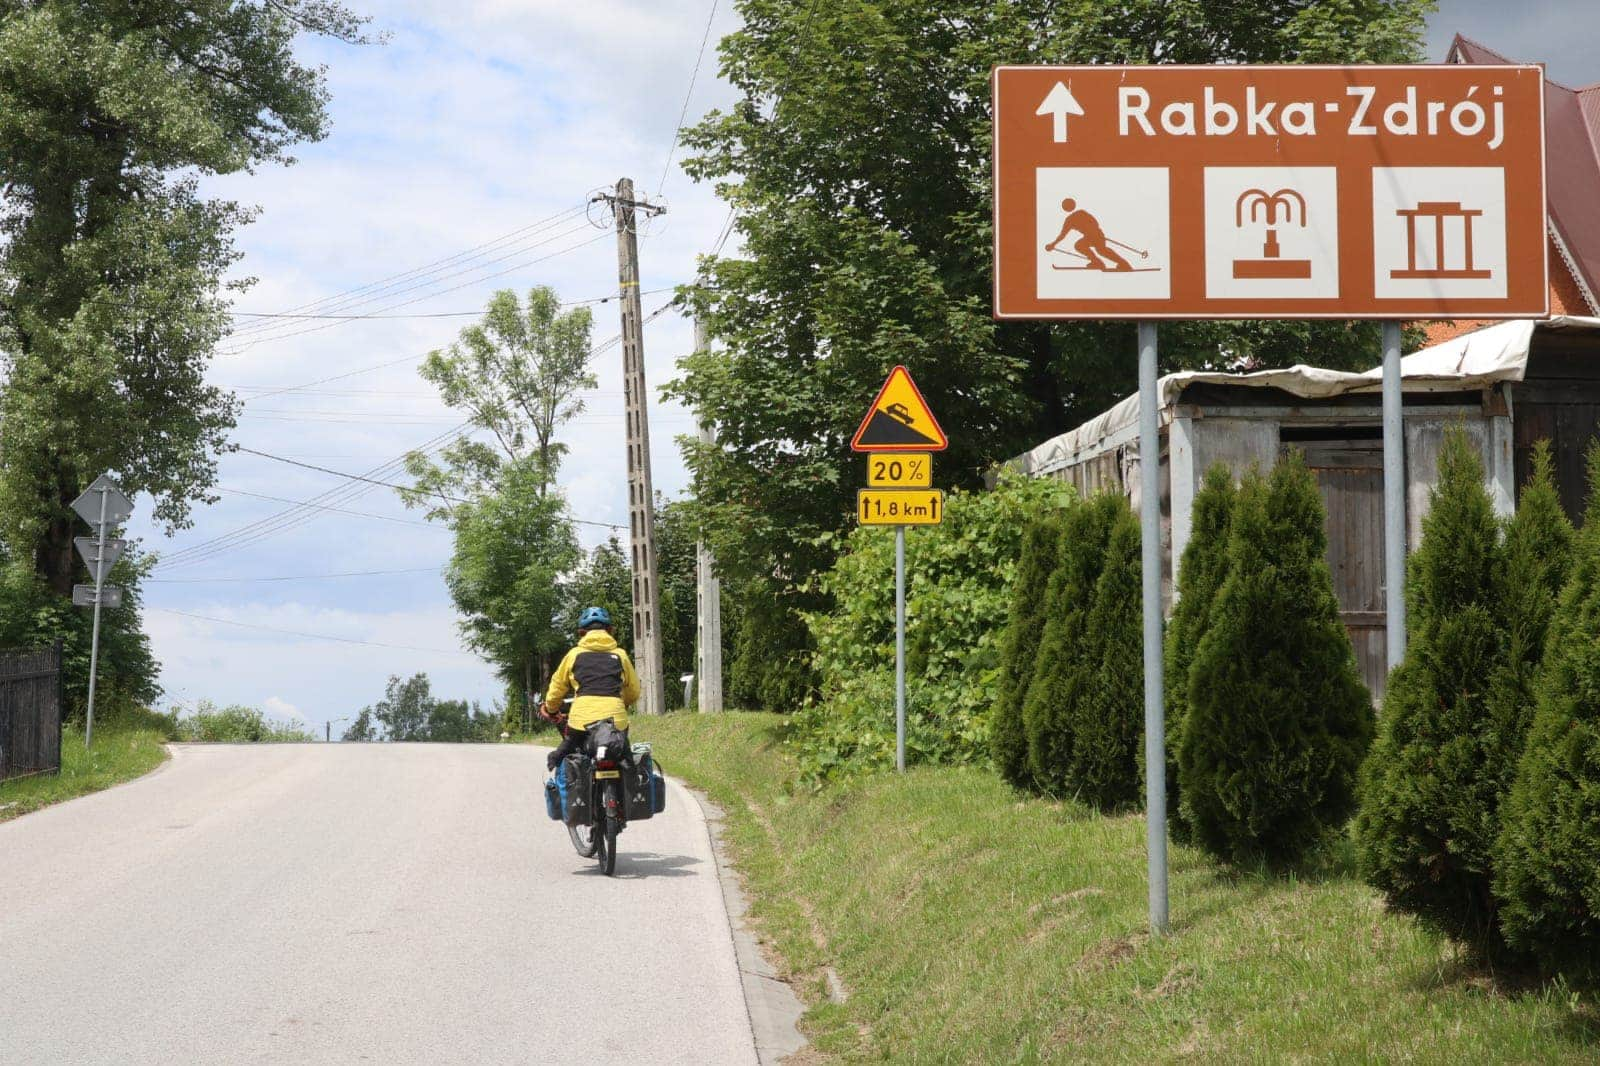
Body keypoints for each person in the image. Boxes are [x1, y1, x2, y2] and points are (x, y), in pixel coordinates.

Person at [542, 606, 641, 771]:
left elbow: (557, 687)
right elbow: (634, 690)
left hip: (581, 722)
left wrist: (551, 709)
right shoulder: (620, 655)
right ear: (609, 630)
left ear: (582, 632)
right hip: (616, 722)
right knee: (625, 759)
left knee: (566, 753)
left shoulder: (574, 655)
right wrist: (624, 703)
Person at [1044, 197, 1132, 271]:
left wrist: (1053, 244)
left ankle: (1122, 264)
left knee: (1100, 250)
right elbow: (1062, 235)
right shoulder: (1070, 220)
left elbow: (1094, 223)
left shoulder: (1079, 214)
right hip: (1092, 236)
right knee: (1086, 247)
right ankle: (1098, 262)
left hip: (1096, 234)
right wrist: (1053, 244)